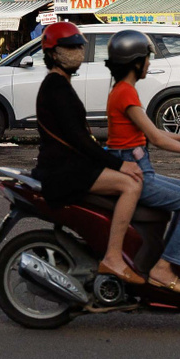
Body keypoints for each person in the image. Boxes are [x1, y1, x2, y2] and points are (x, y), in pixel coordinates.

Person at [30, 20, 146, 284]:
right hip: (63, 171)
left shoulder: (60, 83)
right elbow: (79, 139)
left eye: (79, 47)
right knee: (131, 185)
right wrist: (119, 165)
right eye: (69, 48)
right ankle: (113, 257)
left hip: (69, 165)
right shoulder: (56, 86)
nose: (77, 53)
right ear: (52, 54)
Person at [103, 29, 180, 295]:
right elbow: (157, 139)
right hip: (136, 173)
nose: (149, 63)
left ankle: (170, 256)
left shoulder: (123, 90)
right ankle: (163, 268)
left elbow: (150, 132)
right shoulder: (125, 93)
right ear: (136, 62)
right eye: (147, 58)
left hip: (138, 167)